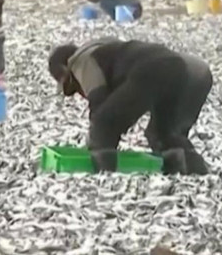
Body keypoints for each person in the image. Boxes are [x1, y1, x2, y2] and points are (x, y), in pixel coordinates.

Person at [47, 38, 212, 175]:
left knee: (104, 123)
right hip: (176, 68)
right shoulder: (109, 51)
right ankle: (194, 172)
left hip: (152, 69)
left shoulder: (82, 60)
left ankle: (103, 176)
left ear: (65, 70)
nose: (80, 93)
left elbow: (99, 99)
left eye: (74, 88)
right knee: (163, 134)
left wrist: (95, 138)